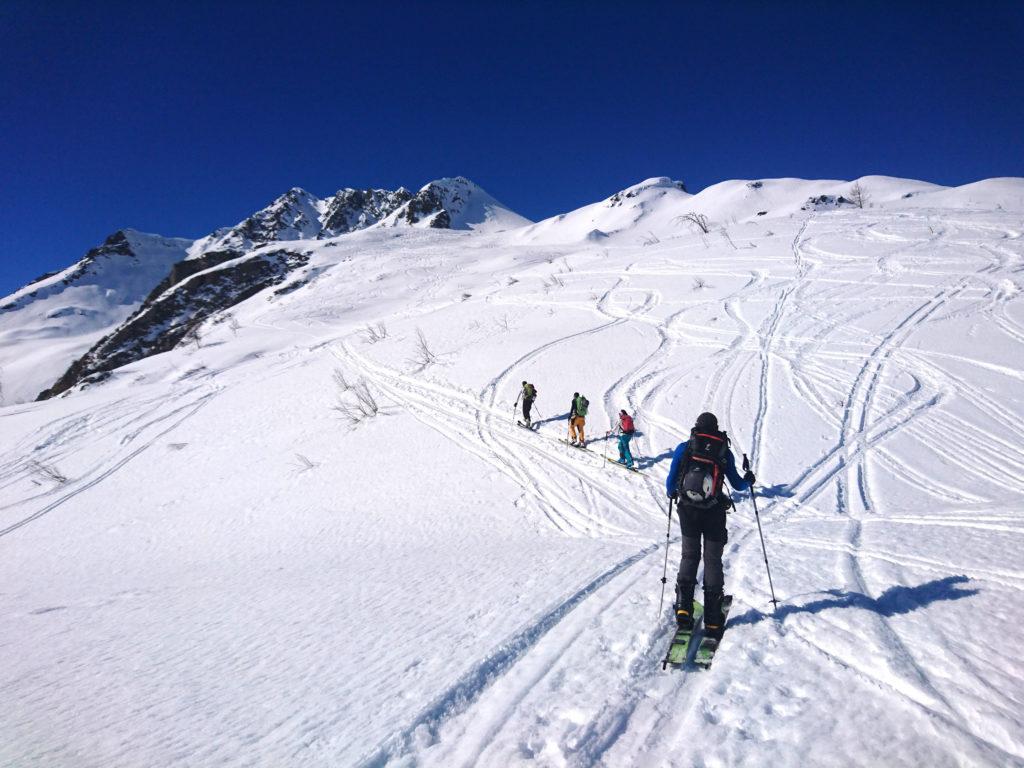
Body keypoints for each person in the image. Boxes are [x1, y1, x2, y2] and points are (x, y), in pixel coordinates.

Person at [665, 411, 755, 639]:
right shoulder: (724, 451)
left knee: (689, 556)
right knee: (712, 560)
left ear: (697, 427)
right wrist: (749, 480)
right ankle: (713, 619)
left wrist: (676, 494)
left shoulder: (685, 447)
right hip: (714, 512)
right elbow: (737, 484)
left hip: (688, 510)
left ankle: (684, 607)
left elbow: (670, 483)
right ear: (715, 429)